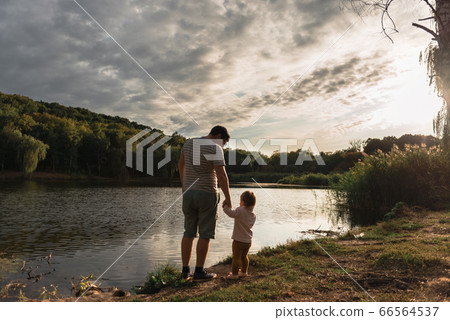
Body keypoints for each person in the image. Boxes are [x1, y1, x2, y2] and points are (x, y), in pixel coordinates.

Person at [178, 125, 232, 280]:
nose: (223, 146)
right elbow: (221, 175)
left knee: (188, 232)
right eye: (224, 142)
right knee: (205, 234)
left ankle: (185, 271)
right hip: (207, 193)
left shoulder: (188, 143)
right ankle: (199, 272)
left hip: (188, 193)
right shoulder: (215, 148)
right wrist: (228, 197)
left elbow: (181, 165)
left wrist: (184, 186)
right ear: (219, 136)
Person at [223, 191, 256, 280]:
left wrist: (225, 207)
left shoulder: (240, 210)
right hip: (248, 241)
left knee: (236, 258)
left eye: (240, 200)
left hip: (238, 240)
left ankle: (234, 274)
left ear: (244, 202)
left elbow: (231, 213)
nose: (239, 202)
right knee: (244, 257)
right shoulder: (253, 214)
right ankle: (244, 272)